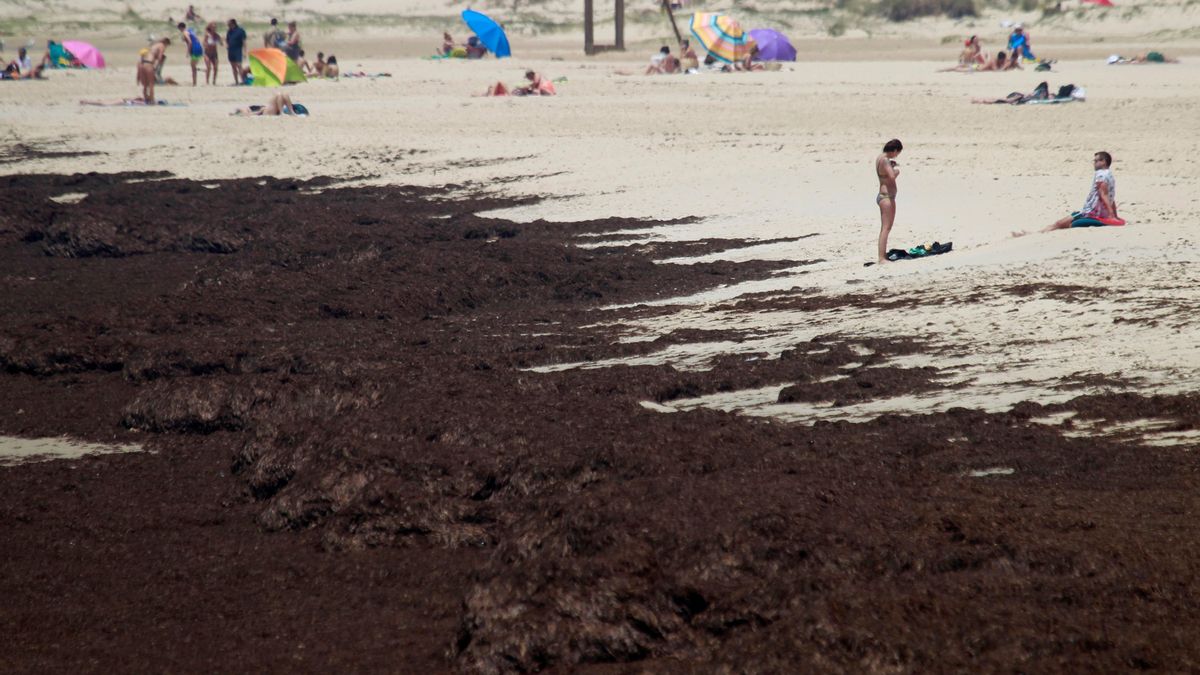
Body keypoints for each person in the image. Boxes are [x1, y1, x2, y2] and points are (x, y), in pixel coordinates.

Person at [1019, 152, 1118, 235]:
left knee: (1059, 224)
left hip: (1090, 213)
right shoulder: (1110, 175)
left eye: (1096, 161)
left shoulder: (1100, 174)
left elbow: (1103, 195)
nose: (1094, 163)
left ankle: (1034, 235)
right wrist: (1115, 215)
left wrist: (1111, 215)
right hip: (1097, 213)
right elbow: (1111, 198)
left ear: (1104, 162)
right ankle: (1036, 233)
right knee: (1061, 223)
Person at [875, 139, 902, 264]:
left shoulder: (880, 158)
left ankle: (883, 255)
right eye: (897, 153)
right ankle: (881, 258)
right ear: (895, 150)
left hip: (885, 196)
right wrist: (896, 170)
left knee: (886, 227)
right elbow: (891, 176)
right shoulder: (885, 160)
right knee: (886, 228)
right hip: (886, 197)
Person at [138, 37, 170, 103]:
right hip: (149, 64)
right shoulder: (162, 46)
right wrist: (156, 66)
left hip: (142, 63)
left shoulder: (154, 45)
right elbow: (160, 57)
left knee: (145, 85)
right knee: (151, 84)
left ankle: (146, 98)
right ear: (166, 43)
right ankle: (152, 99)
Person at [232, 92, 305, 115]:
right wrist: (259, 111)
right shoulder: (247, 110)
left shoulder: (249, 108)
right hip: (265, 112)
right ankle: (284, 113)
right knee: (278, 94)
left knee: (284, 94)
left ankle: (291, 112)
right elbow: (249, 114)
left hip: (268, 109)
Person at [226, 18, 246, 84]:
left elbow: (244, 42)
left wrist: (244, 51)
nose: (228, 25)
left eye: (229, 24)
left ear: (233, 23)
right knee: (233, 66)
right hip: (231, 51)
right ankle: (236, 81)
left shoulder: (240, 31)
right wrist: (227, 46)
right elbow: (227, 40)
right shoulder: (229, 31)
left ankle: (243, 80)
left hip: (238, 50)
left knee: (239, 65)